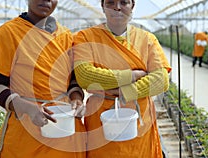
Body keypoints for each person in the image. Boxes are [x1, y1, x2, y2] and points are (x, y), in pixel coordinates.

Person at [0, 0, 86, 157]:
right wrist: (27, 108)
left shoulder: (66, 36)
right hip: (26, 129)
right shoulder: (9, 33)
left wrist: (77, 98)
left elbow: (73, 80)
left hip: (64, 125)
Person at [72, 0, 171, 157]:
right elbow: (85, 76)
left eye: (124, 2)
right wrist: (132, 75)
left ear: (132, 5)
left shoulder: (147, 39)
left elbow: (161, 80)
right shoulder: (85, 37)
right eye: (110, 2)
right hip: (100, 117)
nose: (117, 7)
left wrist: (126, 91)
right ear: (103, 6)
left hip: (139, 120)